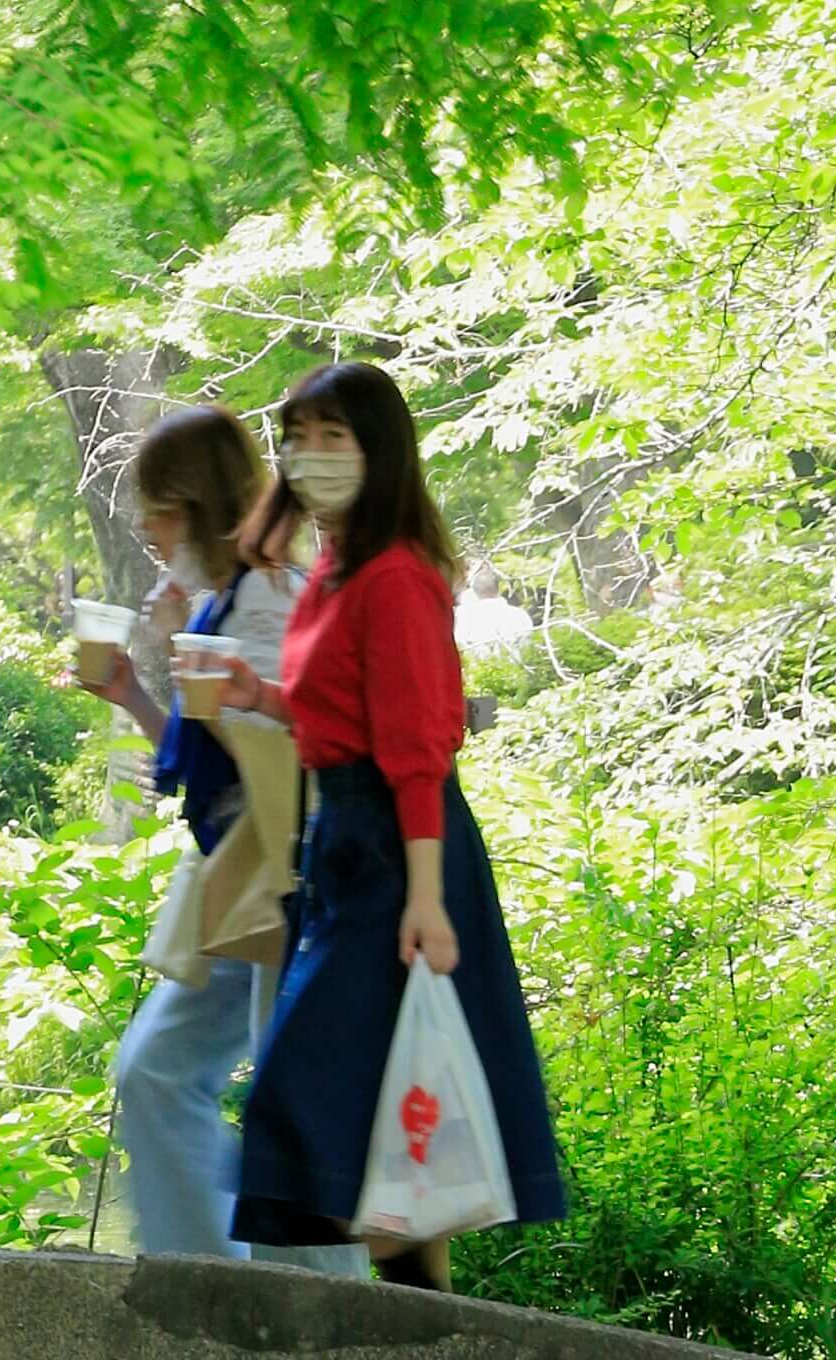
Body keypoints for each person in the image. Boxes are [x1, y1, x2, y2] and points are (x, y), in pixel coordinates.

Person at [215, 362, 566, 1290]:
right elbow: (348, 715)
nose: (313, 456)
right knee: (384, 1119)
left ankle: (423, 1343)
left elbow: (416, 750)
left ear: (381, 453)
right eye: (300, 436)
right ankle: (428, 1338)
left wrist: (424, 899)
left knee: (329, 1103)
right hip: (346, 851)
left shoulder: (399, 579)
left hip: (401, 854)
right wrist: (265, 696)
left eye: (337, 436)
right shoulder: (336, 570)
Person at [84, 407, 362, 1276]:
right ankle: (205, 1279)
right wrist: (137, 687)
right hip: (241, 873)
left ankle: (318, 1307)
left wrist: (190, 650)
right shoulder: (230, 600)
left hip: (288, 876)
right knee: (156, 1072)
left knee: (281, 1098)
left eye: (156, 511)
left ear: (193, 505)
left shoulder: (271, 596)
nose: (146, 531)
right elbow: (209, 751)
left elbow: (300, 739)